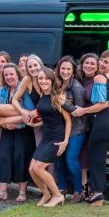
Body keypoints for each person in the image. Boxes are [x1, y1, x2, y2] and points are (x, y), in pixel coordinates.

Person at [72, 45, 109, 206]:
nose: (102, 64)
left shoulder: (99, 78)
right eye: (101, 60)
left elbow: (101, 104)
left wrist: (83, 110)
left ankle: (97, 194)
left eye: (106, 62)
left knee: (96, 157)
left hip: (104, 120)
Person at [0, 63, 35, 203]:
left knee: (20, 157)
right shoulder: (4, 90)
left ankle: (22, 192)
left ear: (17, 74)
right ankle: (2, 192)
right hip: (7, 129)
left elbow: (30, 110)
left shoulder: (24, 88)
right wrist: (4, 123)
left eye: (11, 74)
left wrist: (16, 124)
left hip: (23, 129)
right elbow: (2, 110)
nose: (9, 77)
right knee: (3, 156)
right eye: (6, 75)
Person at [27, 67, 71, 207]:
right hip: (47, 136)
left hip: (57, 138)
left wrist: (65, 141)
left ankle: (57, 195)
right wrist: (35, 123)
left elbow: (68, 120)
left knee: (39, 168)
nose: (43, 81)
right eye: (40, 78)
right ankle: (46, 194)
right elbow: (47, 116)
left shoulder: (58, 96)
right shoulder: (42, 96)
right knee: (32, 169)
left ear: (52, 80)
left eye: (46, 78)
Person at [54, 56, 89, 203]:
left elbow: (77, 112)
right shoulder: (57, 85)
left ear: (73, 71)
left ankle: (78, 191)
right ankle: (61, 189)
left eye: (68, 69)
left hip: (78, 129)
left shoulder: (76, 87)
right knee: (58, 159)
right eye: (63, 68)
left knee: (70, 160)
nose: (65, 71)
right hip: (62, 128)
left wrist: (63, 102)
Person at [76, 52, 100, 199]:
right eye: (86, 63)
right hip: (79, 124)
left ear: (97, 66)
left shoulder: (99, 81)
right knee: (82, 158)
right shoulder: (78, 79)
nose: (89, 66)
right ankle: (85, 190)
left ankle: (95, 188)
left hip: (94, 124)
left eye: (92, 63)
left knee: (93, 158)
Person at [11, 54, 43, 145]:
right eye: (30, 67)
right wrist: (22, 111)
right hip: (38, 122)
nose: (33, 68)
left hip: (51, 119)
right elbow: (14, 99)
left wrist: (37, 111)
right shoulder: (27, 79)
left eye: (35, 65)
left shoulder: (49, 76)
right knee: (40, 149)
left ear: (41, 65)